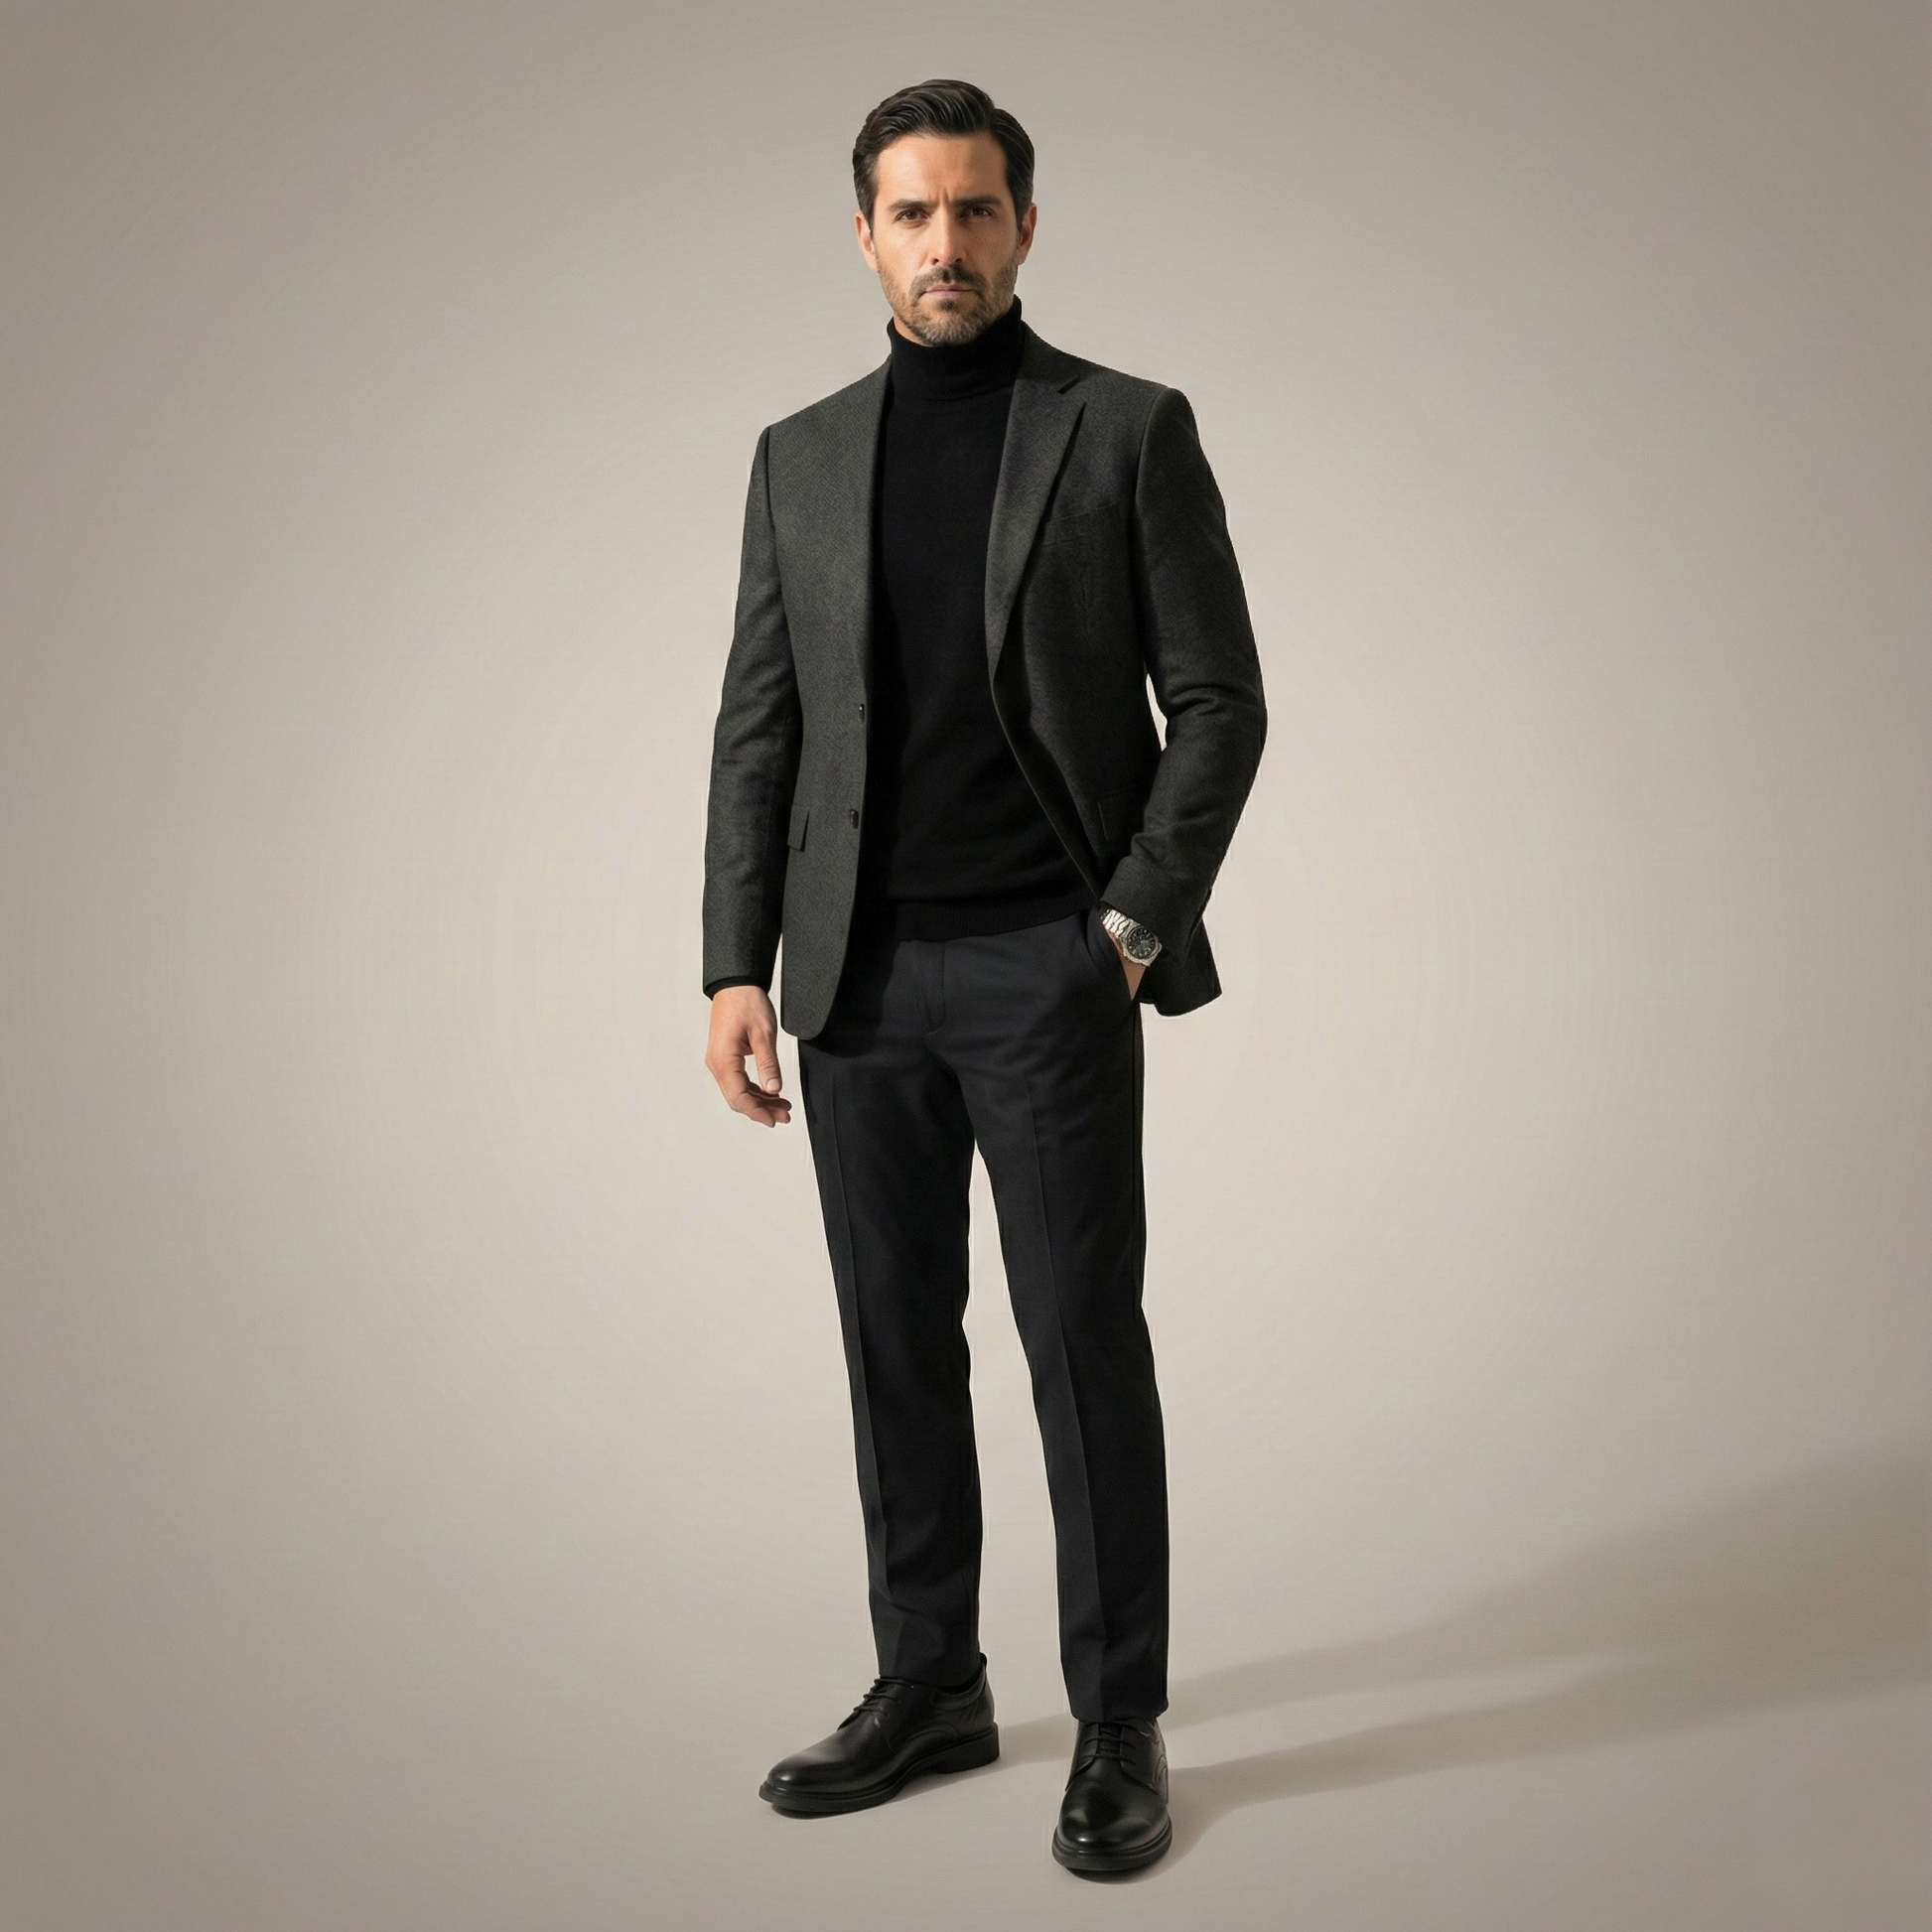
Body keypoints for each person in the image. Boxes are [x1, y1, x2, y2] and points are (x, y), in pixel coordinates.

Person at [701, 75, 1266, 1875]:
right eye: (911, 213)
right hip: (853, 981)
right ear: (863, 237)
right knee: (892, 1342)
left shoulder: (1123, 429)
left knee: (1079, 1340)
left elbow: (1220, 701)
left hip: (1046, 965)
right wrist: (731, 963)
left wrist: (1126, 926)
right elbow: (759, 725)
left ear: (1024, 225)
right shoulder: (797, 456)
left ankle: (1117, 1719)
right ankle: (930, 1680)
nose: (942, 242)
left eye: (973, 209)